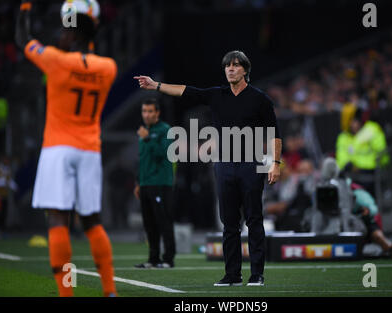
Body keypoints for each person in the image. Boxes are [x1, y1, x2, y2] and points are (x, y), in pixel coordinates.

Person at [134, 50, 282, 286]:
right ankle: (232, 274)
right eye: (227, 66)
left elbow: (274, 133)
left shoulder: (259, 98)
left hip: (250, 165)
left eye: (235, 65)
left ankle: (257, 274)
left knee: (254, 220)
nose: (230, 69)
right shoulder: (217, 95)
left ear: (245, 70)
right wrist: (156, 85)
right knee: (229, 223)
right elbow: (186, 91)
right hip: (223, 165)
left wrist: (275, 163)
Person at [16, 0, 117, 297]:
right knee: (92, 222)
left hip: (58, 149)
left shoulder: (56, 60)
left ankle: (66, 294)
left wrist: (24, 8)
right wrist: (86, 27)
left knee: (58, 221)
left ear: (72, 35)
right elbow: (88, 47)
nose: (60, 34)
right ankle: (110, 292)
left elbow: (23, 40)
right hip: (89, 150)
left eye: (64, 30)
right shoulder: (108, 68)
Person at [133, 99, 176, 269]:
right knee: (149, 223)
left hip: (160, 183)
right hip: (145, 184)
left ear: (157, 113)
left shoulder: (166, 130)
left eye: (150, 111)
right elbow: (143, 160)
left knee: (164, 221)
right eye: (144, 111)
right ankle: (153, 258)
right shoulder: (145, 132)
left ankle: (168, 259)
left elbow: (162, 154)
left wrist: (148, 139)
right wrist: (138, 182)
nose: (147, 115)